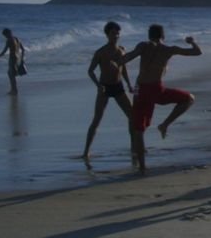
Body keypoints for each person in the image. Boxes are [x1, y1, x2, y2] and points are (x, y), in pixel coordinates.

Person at [118, 24, 202, 174]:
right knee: (189, 99)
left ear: (149, 35)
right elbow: (197, 52)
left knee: (139, 129)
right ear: (163, 36)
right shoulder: (168, 49)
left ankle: (142, 166)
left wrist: (117, 56)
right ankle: (165, 124)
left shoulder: (143, 46)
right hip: (156, 89)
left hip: (142, 90)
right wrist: (191, 41)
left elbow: (126, 59)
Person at [82, 21, 136, 164]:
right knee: (97, 120)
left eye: (118, 33)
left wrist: (129, 84)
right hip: (104, 88)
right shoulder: (101, 52)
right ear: (107, 35)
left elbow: (123, 69)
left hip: (118, 87)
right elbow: (90, 71)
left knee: (132, 116)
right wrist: (98, 85)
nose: (116, 35)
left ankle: (134, 146)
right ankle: (86, 151)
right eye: (113, 33)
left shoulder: (122, 50)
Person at [0, 28, 25, 95]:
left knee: (11, 75)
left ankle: (14, 90)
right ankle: (13, 89)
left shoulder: (9, 40)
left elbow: (5, 50)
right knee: (10, 74)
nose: (5, 37)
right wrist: (22, 58)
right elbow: (23, 49)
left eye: (5, 35)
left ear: (7, 33)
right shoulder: (17, 39)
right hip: (18, 58)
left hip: (12, 58)